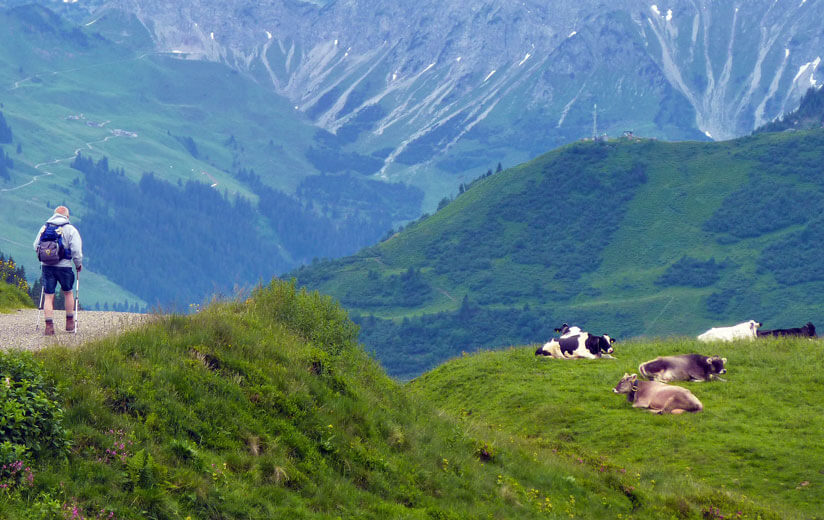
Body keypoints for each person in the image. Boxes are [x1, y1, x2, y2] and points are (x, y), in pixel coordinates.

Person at [33, 206, 83, 335]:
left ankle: (49, 326)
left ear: (54, 215)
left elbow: (35, 245)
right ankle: (70, 323)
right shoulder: (70, 229)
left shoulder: (44, 228)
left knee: (49, 295)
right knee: (68, 293)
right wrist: (78, 264)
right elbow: (76, 250)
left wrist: (45, 258)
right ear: (67, 216)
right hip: (64, 267)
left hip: (47, 267)